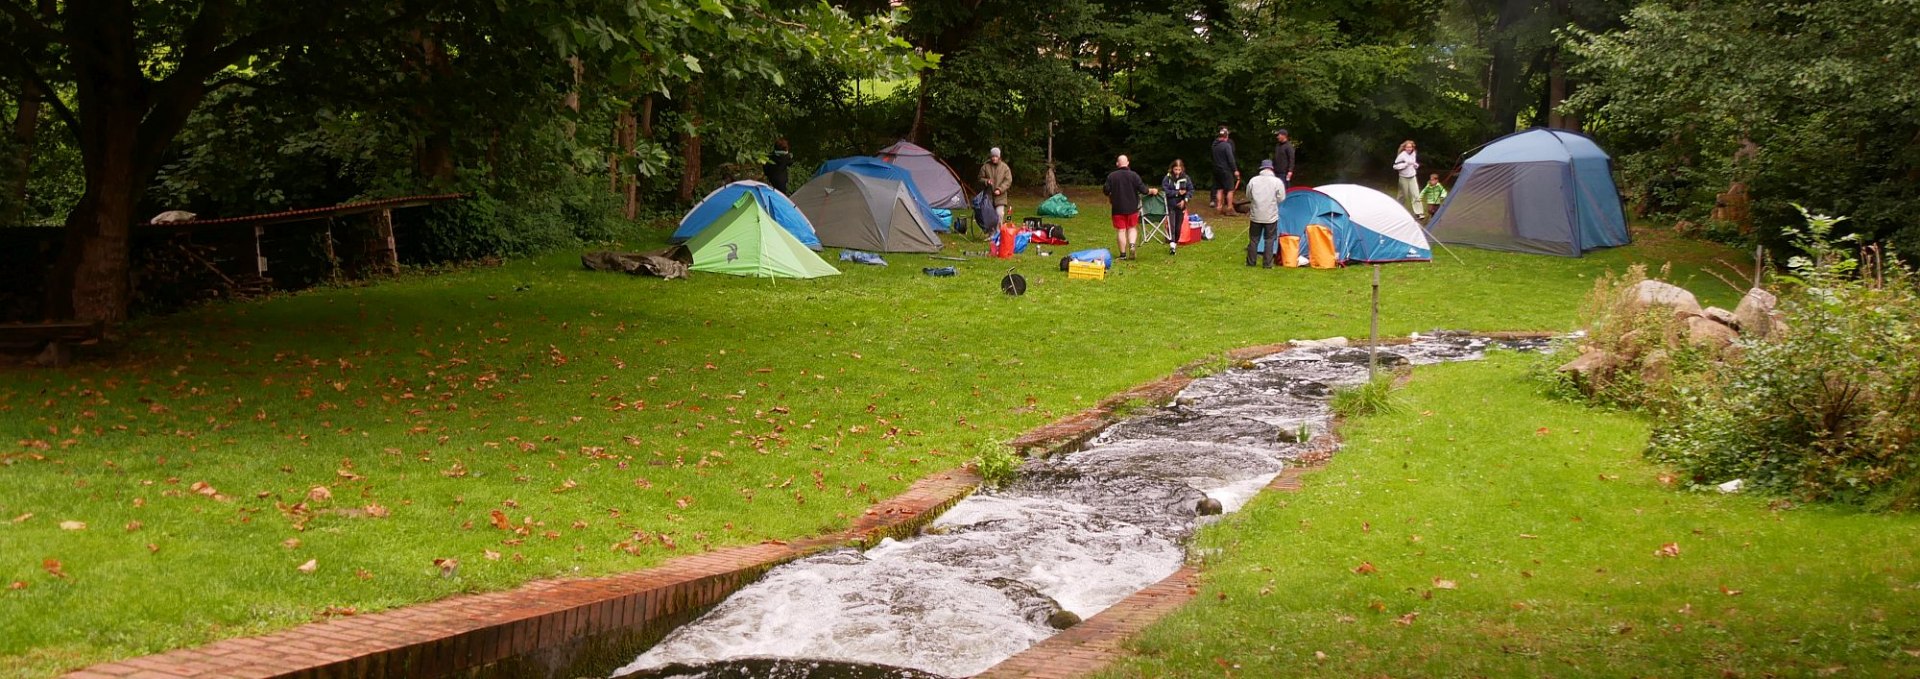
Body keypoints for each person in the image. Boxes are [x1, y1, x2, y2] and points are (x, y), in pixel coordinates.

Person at [1103, 155, 1156, 260]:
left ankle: (1123, 255)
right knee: (1132, 228)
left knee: (1121, 230)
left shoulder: (1111, 176)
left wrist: (1111, 196)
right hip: (1132, 207)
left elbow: (1106, 190)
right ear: (1127, 163)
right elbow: (1143, 190)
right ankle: (1132, 245)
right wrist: (1152, 191)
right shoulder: (1134, 175)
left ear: (1117, 164)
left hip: (1118, 208)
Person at [1244, 159, 1287, 268]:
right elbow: (1281, 198)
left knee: (1254, 239)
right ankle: (1267, 264)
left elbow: (1248, 196)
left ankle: (1251, 262)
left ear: (1261, 169)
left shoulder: (1253, 180)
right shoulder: (1277, 182)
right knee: (1269, 239)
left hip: (1256, 215)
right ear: (1271, 169)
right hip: (1270, 216)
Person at [1160, 159, 1194, 256]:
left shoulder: (1186, 178)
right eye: (1175, 169)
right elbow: (1165, 191)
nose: (1177, 172)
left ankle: (1175, 243)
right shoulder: (1167, 178)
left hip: (1181, 206)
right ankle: (1172, 245)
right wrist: (1176, 193)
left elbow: (1191, 190)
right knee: (1172, 226)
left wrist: (1185, 200)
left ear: (1182, 169)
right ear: (1172, 168)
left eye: (1179, 169)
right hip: (1170, 205)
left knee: (1178, 228)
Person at [978, 147, 1013, 226]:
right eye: (993, 156)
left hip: (1001, 196)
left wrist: (1000, 190)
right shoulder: (985, 167)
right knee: (989, 217)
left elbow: (1008, 181)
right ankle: (991, 235)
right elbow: (980, 178)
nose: (994, 158)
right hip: (988, 196)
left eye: (996, 156)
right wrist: (986, 181)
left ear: (999, 157)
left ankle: (998, 234)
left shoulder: (1005, 167)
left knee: (999, 214)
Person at [1210, 126, 1239, 215]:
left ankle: (1219, 207)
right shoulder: (1226, 145)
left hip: (1216, 170)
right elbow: (1231, 159)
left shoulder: (1214, 145)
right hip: (1225, 170)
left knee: (1219, 189)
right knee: (1230, 189)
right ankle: (1230, 208)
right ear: (1226, 136)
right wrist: (1235, 170)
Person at [1392, 140, 1422, 217]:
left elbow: (1413, 163)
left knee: (1416, 195)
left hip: (1412, 176)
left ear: (1412, 147)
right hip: (1403, 177)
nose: (1409, 148)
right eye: (1407, 147)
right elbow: (1395, 166)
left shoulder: (1413, 154)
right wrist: (1405, 165)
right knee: (1403, 196)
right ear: (1405, 148)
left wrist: (1416, 165)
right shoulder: (1401, 155)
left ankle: (1419, 213)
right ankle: (1398, 210)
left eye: (1410, 147)